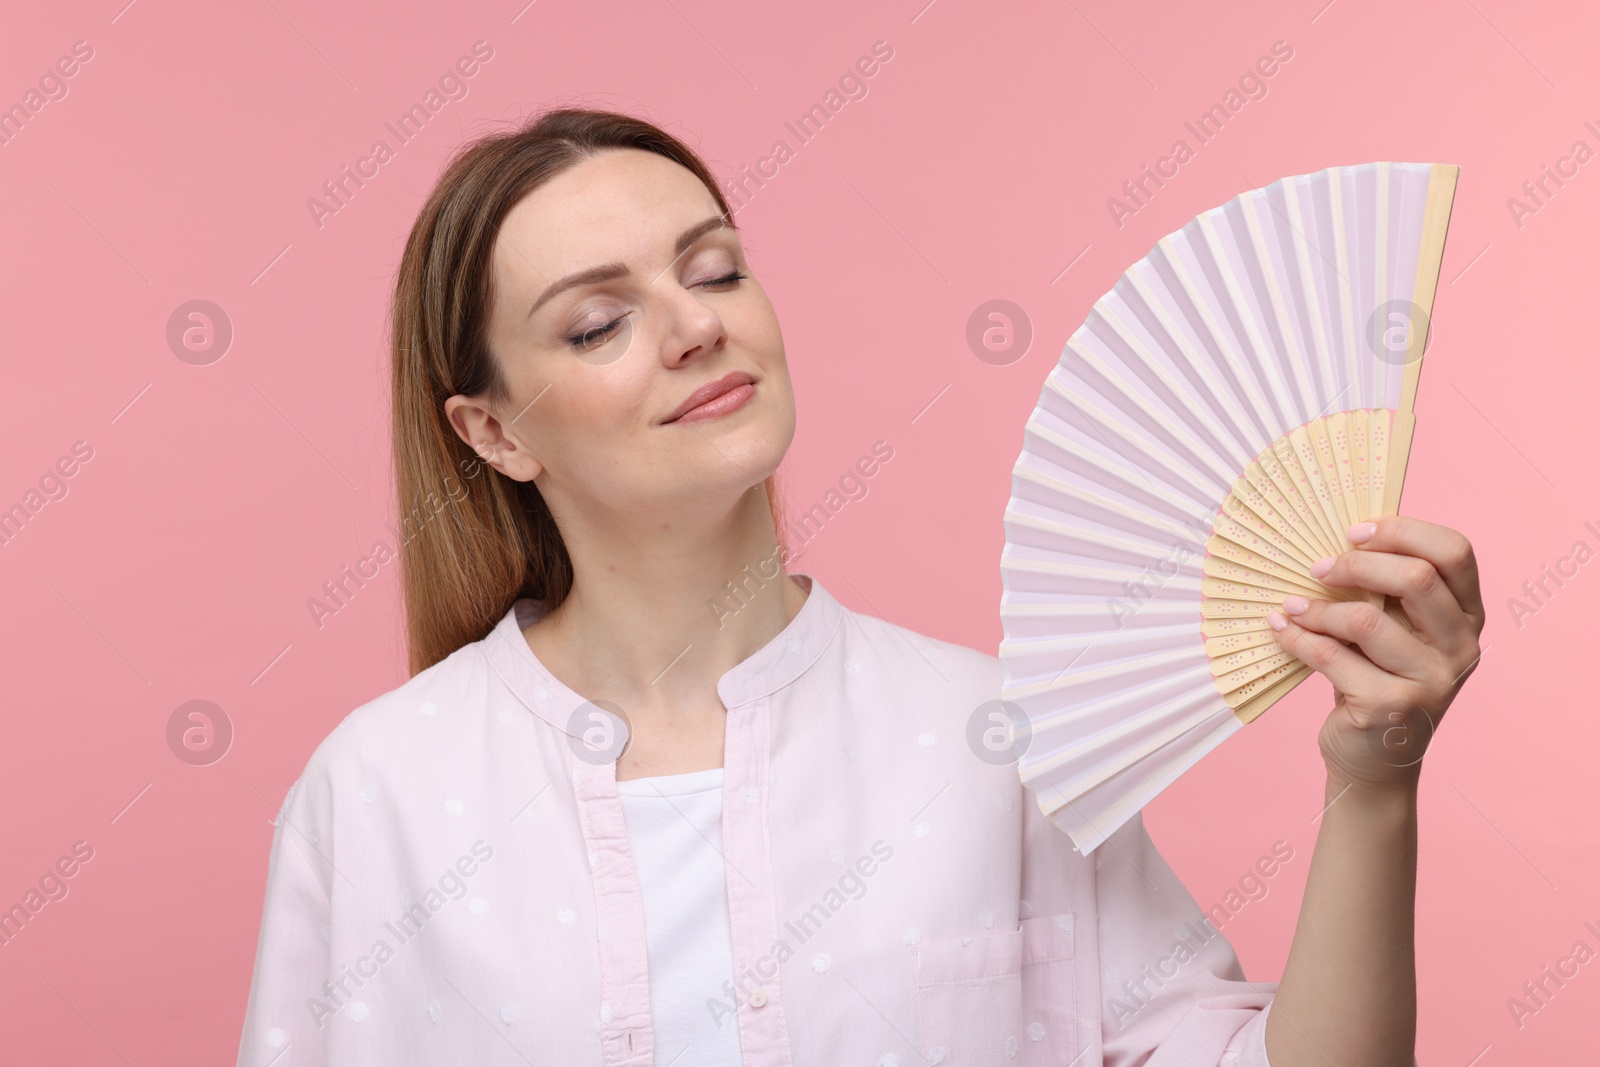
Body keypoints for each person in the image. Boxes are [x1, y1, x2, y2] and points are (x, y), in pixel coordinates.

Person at [234, 107, 1484, 1067]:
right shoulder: (379, 791)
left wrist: (1374, 780)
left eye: (713, 268)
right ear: (494, 432)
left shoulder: (999, 737)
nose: (693, 326)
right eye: (595, 322)